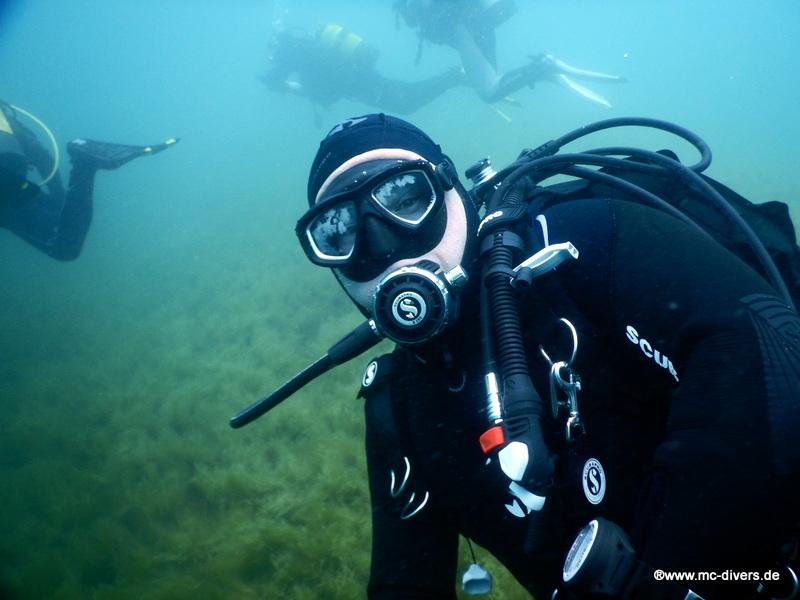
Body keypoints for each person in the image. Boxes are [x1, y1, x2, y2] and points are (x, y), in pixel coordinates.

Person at [233, 113, 800, 599]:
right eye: (339, 232)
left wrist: (669, 577)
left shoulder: (582, 242)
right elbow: (404, 584)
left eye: (407, 198)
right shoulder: (398, 410)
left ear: (455, 193)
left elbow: (770, 348)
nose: (383, 245)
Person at [0, 100, 178, 260]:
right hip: (14, 162)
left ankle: (84, 165)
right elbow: (41, 155)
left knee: (64, 249)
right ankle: (82, 159)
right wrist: (60, 196)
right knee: (63, 217)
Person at [393, 0, 626, 107]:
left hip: (465, 26)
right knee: (489, 84)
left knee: (488, 91)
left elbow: (429, 10)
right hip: (473, 23)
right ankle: (543, 69)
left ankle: (544, 68)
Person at [261, 24, 465, 120]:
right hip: (359, 79)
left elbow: (324, 93)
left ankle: (455, 76)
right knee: (405, 95)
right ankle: (455, 76)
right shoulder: (307, 50)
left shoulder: (304, 58)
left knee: (406, 102)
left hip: (359, 83)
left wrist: (287, 86)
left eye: (276, 59)